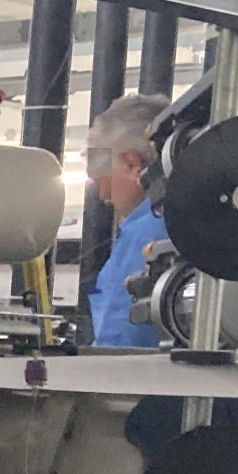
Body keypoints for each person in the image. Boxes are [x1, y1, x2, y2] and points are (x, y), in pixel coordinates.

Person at [86, 92, 172, 348]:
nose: (104, 196)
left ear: (133, 165)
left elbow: (118, 347)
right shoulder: (193, 219)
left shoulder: (146, 233)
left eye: (102, 179)